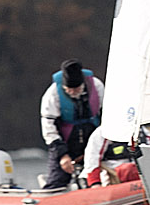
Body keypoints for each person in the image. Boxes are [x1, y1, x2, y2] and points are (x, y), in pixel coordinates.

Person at [40, 59, 104, 190]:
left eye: (76, 89)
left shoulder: (97, 86)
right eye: (68, 89)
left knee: (100, 174)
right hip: (65, 141)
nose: (72, 92)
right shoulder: (52, 94)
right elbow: (48, 126)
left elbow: (107, 115)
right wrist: (62, 155)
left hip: (93, 138)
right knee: (57, 179)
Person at [82, 124, 150, 186]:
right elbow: (92, 159)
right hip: (112, 178)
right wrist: (95, 183)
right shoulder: (103, 132)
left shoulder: (143, 131)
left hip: (141, 177)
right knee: (127, 169)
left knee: (131, 169)